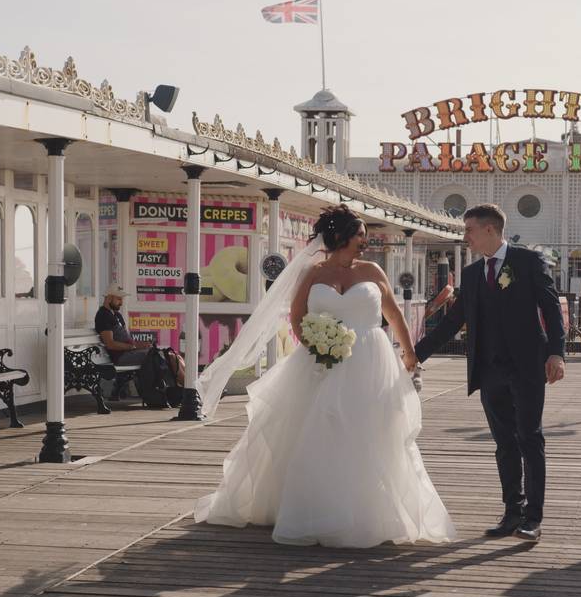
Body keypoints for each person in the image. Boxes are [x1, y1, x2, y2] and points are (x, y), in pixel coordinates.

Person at [194, 205, 455, 548]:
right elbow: (298, 316)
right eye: (359, 234)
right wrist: (318, 346)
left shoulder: (373, 271)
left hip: (370, 361)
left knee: (370, 431)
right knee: (316, 430)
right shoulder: (314, 273)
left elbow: (392, 314)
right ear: (341, 237)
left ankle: (368, 508)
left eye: (365, 235)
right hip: (321, 363)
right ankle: (312, 508)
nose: (365, 240)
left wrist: (409, 353)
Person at [415, 204, 565, 542]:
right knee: (504, 444)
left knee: (530, 438)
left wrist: (557, 352)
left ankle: (533, 518)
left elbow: (551, 308)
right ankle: (512, 511)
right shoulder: (470, 274)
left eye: (468, 230)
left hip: (527, 366)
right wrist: (415, 355)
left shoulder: (528, 262)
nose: (464, 237)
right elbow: (451, 324)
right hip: (489, 371)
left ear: (488, 230)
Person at [95, 284, 185, 391]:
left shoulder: (117, 315)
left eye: (122, 299)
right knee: (170, 357)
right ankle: (189, 389)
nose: (121, 302)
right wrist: (134, 346)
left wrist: (140, 345)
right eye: (118, 299)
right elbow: (110, 344)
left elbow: (127, 340)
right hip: (121, 357)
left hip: (129, 352)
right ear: (109, 297)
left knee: (175, 356)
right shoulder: (103, 316)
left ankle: (188, 387)